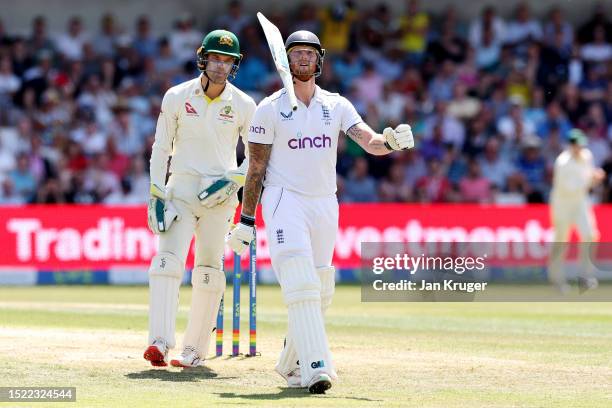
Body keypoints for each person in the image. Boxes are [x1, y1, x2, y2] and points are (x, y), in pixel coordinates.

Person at [226, 31, 414, 393]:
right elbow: (255, 169)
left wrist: (390, 141)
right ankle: (316, 367)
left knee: (320, 288)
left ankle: (288, 362)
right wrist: (246, 219)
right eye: (296, 53)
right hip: (284, 199)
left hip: (324, 201)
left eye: (309, 54)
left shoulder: (337, 105)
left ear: (319, 60)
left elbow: (369, 140)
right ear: (286, 61)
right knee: (300, 280)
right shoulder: (269, 108)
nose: (303, 59)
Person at [143, 29, 256, 368]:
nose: (220, 66)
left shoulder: (244, 105)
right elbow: (161, 147)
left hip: (219, 197)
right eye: (215, 58)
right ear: (203, 58)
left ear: (234, 65)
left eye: (227, 60)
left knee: (208, 270)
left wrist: (234, 179)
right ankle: (159, 343)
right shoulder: (176, 96)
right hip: (181, 189)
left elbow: (255, 157)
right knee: (165, 264)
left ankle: (194, 350)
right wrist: (155, 192)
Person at [548, 129, 605, 293]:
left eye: (582, 145)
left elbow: (587, 181)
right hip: (562, 204)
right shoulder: (562, 162)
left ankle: (586, 277)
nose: (581, 148)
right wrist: (592, 179)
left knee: (589, 235)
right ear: (571, 145)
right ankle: (556, 278)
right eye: (578, 145)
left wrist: (594, 178)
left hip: (580, 202)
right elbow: (567, 188)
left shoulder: (586, 156)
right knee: (561, 240)